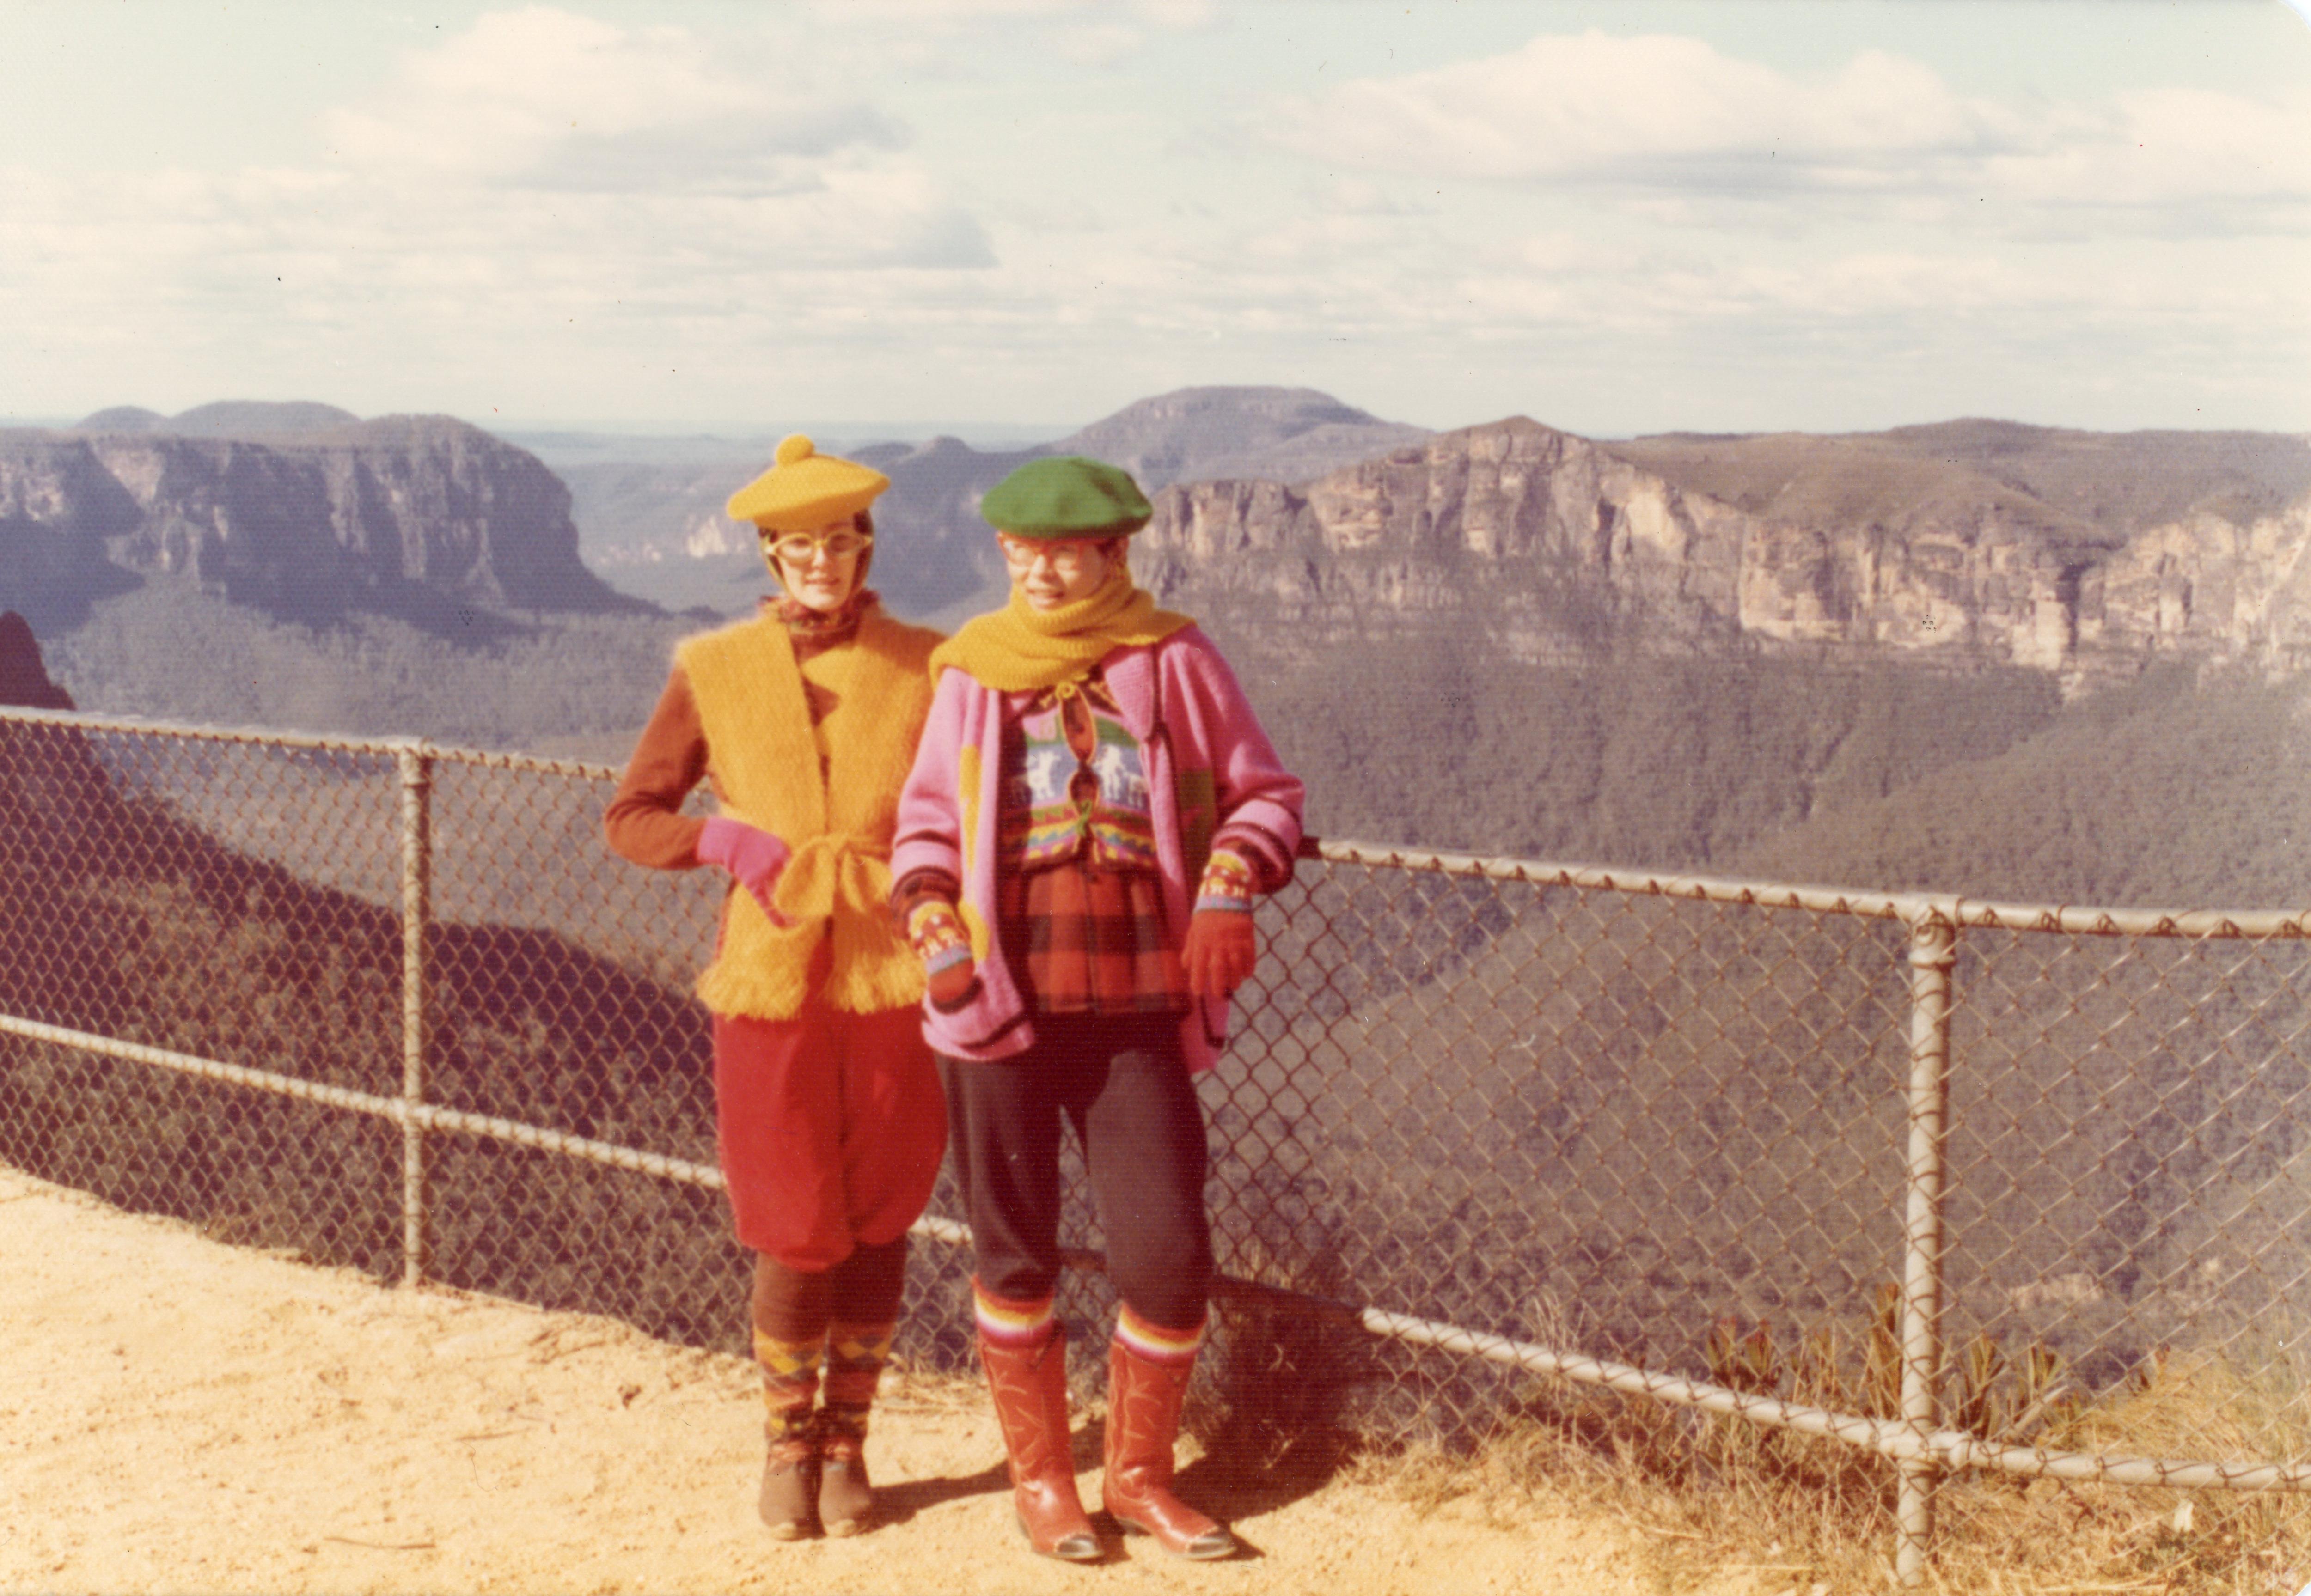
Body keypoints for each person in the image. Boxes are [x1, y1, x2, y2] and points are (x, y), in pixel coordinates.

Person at [889, 456, 1305, 1563]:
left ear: (1115, 552)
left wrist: (1226, 888)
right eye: (1021, 549)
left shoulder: (1172, 659)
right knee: (1012, 1248)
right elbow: (924, 827)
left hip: (1132, 1005)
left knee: (1166, 1252)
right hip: (997, 1000)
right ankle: (1044, 1483)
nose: (1039, 568)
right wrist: (938, 937)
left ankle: (1137, 1475)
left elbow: (1266, 790)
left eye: (1064, 550)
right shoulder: (973, 671)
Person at [603, 435, 945, 1541]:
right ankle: (786, 1444)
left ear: (864, 547)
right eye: (798, 546)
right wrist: (725, 846)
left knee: (882, 1211)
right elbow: (634, 815)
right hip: (770, 978)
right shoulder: (713, 668)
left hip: (895, 974)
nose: (820, 563)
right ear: (768, 552)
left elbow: (965, 807)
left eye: (838, 544)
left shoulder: (927, 664)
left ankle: (850, 1443)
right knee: (796, 1223)